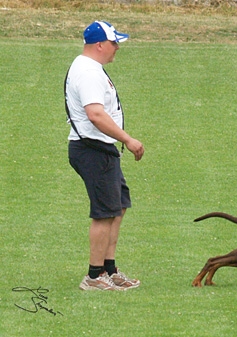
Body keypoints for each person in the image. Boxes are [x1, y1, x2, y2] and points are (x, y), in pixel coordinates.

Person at [65, 21, 145, 291]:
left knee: (117, 206)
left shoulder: (90, 68)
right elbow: (96, 114)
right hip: (92, 149)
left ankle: (109, 269)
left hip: (101, 149)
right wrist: (128, 139)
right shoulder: (88, 73)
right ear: (99, 45)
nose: (117, 48)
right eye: (114, 43)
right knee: (103, 213)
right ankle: (94, 276)